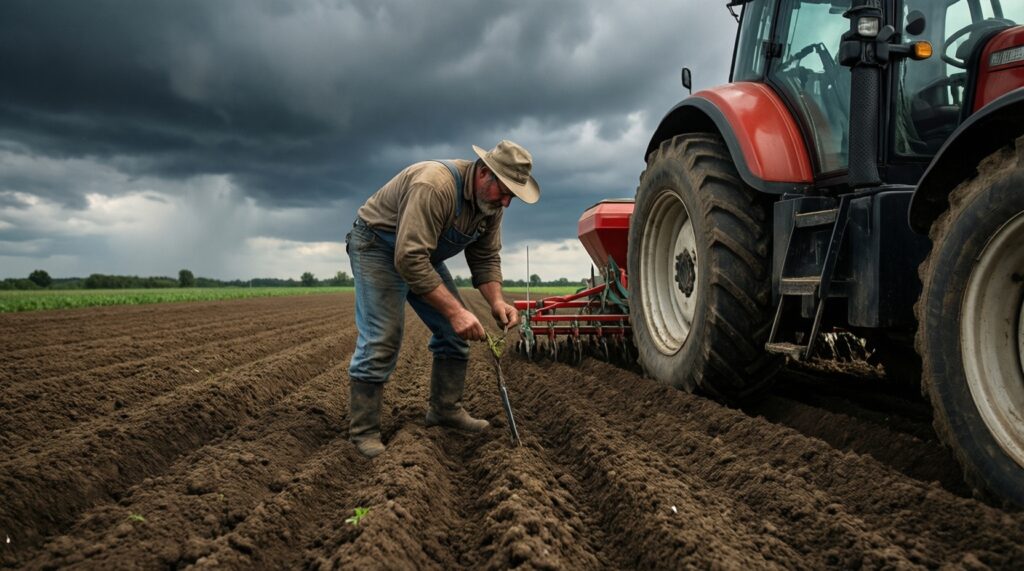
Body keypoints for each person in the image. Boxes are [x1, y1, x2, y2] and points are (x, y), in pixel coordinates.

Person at [344, 140, 540, 458]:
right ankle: (363, 431)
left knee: (453, 335)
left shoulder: (490, 206)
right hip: (378, 247)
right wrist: (455, 312)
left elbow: (486, 257)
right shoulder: (435, 185)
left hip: (422, 254)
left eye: (512, 197)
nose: (506, 202)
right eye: (503, 191)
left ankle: (445, 411)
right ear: (483, 173)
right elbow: (408, 259)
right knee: (383, 338)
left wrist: (497, 303)